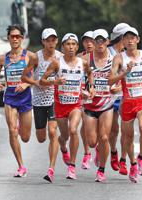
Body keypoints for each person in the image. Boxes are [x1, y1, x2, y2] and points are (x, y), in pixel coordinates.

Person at [40, 33, 94, 179]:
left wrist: (90, 88)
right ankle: (63, 147)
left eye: (73, 44)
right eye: (68, 44)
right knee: (64, 136)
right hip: (60, 105)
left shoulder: (82, 62)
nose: (71, 47)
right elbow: (42, 80)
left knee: (73, 130)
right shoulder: (57, 63)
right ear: (63, 47)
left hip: (75, 105)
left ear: (77, 47)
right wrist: (54, 82)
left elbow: (90, 74)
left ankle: (72, 166)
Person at [109, 26, 142, 183]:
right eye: (127, 38)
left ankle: (141, 158)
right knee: (127, 137)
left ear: (138, 39)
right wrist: (125, 73)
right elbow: (110, 81)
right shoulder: (119, 58)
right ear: (123, 41)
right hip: (127, 102)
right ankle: (133, 164)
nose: (130, 40)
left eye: (133, 37)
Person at [21, 28, 61, 183]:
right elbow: (24, 76)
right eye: (48, 40)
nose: (51, 43)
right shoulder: (36, 57)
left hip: (54, 99)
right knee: (41, 137)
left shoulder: (60, 57)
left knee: (53, 132)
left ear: (56, 41)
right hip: (38, 100)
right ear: (43, 41)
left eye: (53, 40)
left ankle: (51, 169)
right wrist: (36, 82)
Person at [0, 24, 33, 177]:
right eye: (12, 36)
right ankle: (21, 166)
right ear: (8, 38)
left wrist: (25, 83)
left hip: (25, 98)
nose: (15, 39)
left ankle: (20, 129)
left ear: (22, 38)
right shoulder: (2, 59)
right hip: (10, 97)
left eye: (18, 36)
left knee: (25, 137)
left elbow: (34, 77)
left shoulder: (29, 56)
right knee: (12, 130)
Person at [83, 29, 114, 182]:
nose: (100, 43)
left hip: (107, 104)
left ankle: (101, 170)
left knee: (104, 137)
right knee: (92, 141)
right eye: (97, 41)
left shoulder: (115, 59)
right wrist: (83, 91)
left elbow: (123, 80)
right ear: (93, 43)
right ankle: (96, 150)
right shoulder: (84, 59)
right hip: (89, 105)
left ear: (108, 41)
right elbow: (76, 80)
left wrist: (118, 87)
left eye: (103, 40)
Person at [108, 23, 130, 175]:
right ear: (121, 38)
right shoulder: (107, 53)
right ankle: (113, 151)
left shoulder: (129, 54)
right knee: (114, 130)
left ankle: (123, 161)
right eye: (126, 38)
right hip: (108, 95)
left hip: (124, 96)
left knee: (125, 129)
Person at [78, 31, 95, 169]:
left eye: (92, 41)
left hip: (101, 95)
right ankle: (86, 153)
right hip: (84, 96)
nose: (89, 44)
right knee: (84, 123)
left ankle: (98, 150)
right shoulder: (79, 58)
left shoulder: (107, 56)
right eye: (86, 41)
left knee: (100, 128)